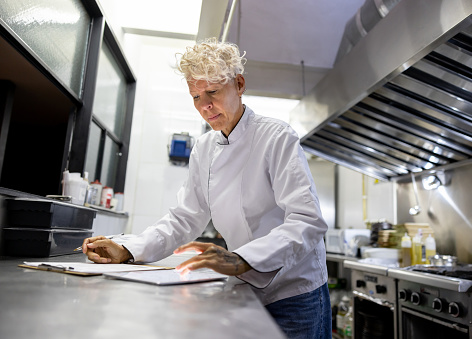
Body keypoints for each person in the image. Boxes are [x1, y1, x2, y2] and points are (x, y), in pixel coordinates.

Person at [82, 38, 331, 339]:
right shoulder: (204, 148)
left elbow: (307, 221)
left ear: (239, 85)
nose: (204, 106)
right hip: (244, 286)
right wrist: (128, 249)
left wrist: (242, 259)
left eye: (212, 92)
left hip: (294, 293)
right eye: (196, 96)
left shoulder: (275, 137)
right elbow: (185, 217)